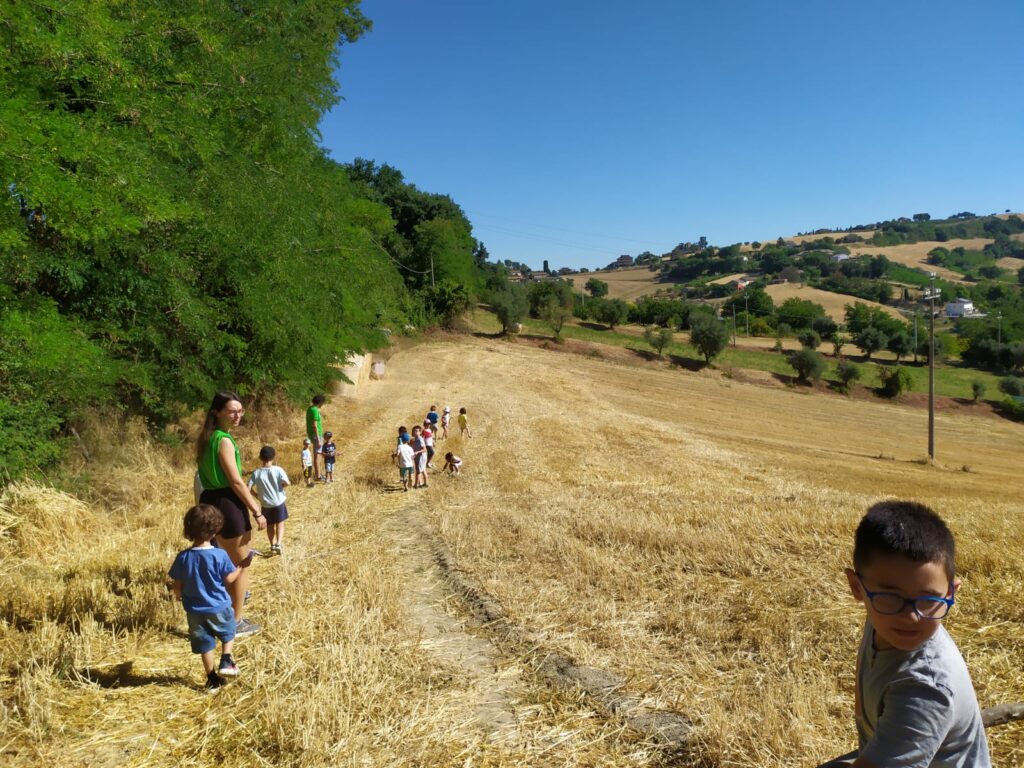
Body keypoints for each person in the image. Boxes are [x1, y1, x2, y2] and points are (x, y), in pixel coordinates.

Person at [817, 500, 990, 768]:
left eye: (928, 600)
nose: (911, 617)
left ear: (951, 593)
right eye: (890, 596)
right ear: (857, 588)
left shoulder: (925, 690)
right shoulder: (881, 620)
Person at [196, 391, 265, 637]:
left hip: (209, 501)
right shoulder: (223, 440)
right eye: (232, 411)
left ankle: (222, 615)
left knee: (223, 563)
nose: (238, 415)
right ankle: (234, 622)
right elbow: (236, 481)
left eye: (240, 411)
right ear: (217, 412)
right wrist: (256, 510)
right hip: (227, 503)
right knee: (241, 564)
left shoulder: (206, 438)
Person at [168, 503, 253, 691]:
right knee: (228, 631)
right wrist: (242, 565)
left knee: (205, 643)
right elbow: (230, 578)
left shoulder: (183, 557)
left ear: (188, 529)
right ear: (216, 529)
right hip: (219, 606)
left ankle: (212, 679)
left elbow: (177, 583)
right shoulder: (219, 555)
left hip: (194, 611)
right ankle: (226, 659)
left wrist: (178, 595)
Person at [247, 446, 290, 556]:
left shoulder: (256, 473)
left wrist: (257, 495)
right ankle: (279, 544)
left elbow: (248, 487)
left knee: (270, 525)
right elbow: (287, 482)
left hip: (266, 504)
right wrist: (281, 487)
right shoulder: (277, 469)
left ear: (260, 458)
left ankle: (272, 545)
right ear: (273, 457)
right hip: (279, 502)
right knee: (280, 523)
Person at [306, 394, 325, 481]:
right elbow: (315, 425)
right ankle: (318, 476)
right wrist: (318, 438)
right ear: (320, 403)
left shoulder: (309, 409)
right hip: (316, 435)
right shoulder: (315, 410)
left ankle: (319, 474)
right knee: (318, 454)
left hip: (311, 434)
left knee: (319, 453)